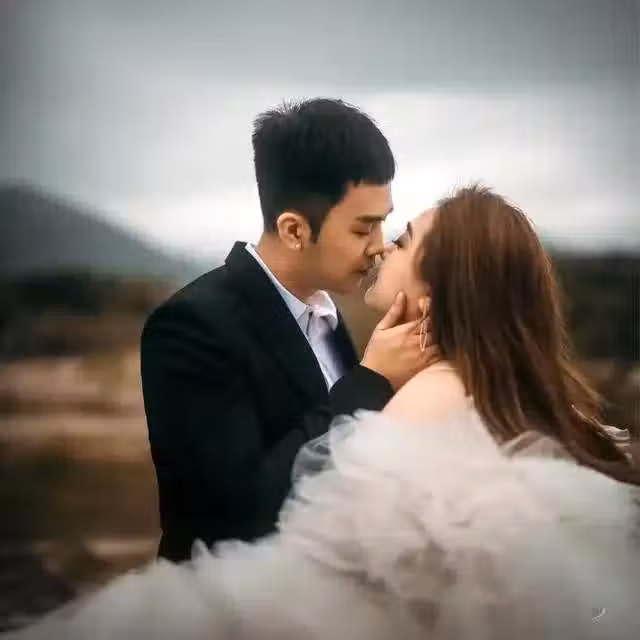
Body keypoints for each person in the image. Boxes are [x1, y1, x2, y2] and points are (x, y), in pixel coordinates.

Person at [6, 185, 638, 639]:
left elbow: (322, 538)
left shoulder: (428, 392)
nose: (382, 249)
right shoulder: (513, 390)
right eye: (371, 231)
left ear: (435, 291)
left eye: (402, 241)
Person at [140, 98, 437, 562]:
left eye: (383, 224)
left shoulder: (326, 316)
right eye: (363, 230)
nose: (379, 247)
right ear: (294, 230)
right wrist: (371, 380)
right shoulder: (191, 327)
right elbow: (234, 515)